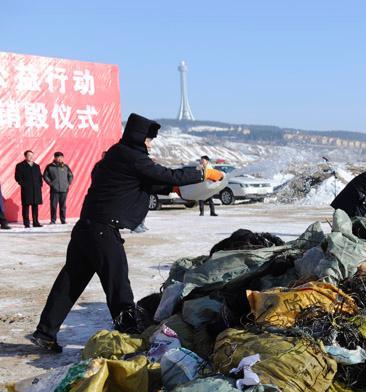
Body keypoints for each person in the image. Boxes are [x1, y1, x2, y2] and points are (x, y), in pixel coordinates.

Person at [29, 113, 222, 352]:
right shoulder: (131, 156)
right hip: (102, 231)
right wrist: (202, 173)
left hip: (86, 229)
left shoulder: (117, 155)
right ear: (138, 137)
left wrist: (175, 189)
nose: (150, 144)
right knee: (118, 285)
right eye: (148, 140)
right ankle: (130, 337)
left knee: (69, 283)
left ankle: (45, 333)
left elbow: (145, 181)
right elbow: (165, 174)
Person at [14, 150, 44, 228]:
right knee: (26, 206)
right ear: (25, 156)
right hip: (26, 189)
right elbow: (17, 177)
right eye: (29, 155)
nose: (31, 157)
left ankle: (35, 222)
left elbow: (40, 176)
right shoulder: (20, 165)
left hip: (36, 189)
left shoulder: (36, 166)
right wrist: (23, 185)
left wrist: (40, 185)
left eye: (32, 155)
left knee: (35, 206)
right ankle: (26, 223)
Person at [43, 151, 74, 224]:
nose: (59, 159)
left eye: (61, 157)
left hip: (64, 189)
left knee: (63, 206)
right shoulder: (49, 166)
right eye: (58, 157)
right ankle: (53, 220)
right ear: (55, 158)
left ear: (63, 158)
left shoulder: (65, 166)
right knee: (53, 205)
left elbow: (70, 175)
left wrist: (68, 183)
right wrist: (51, 184)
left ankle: (63, 220)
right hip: (54, 189)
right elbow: (45, 176)